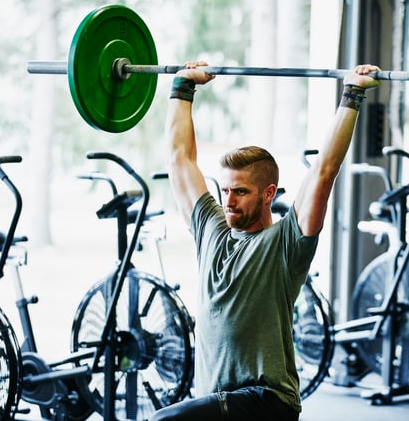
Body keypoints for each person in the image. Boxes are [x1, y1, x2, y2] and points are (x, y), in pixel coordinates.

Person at [152, 62, 381, 421]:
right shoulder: (211, 230)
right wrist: (182, 87)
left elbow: (323, 171)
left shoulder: (286, 243)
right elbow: (179, 158)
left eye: (240, 192)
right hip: (218, 400)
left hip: (267, 400)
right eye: (225, 189)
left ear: (268, 193)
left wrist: (351, 95)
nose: (227, 201)